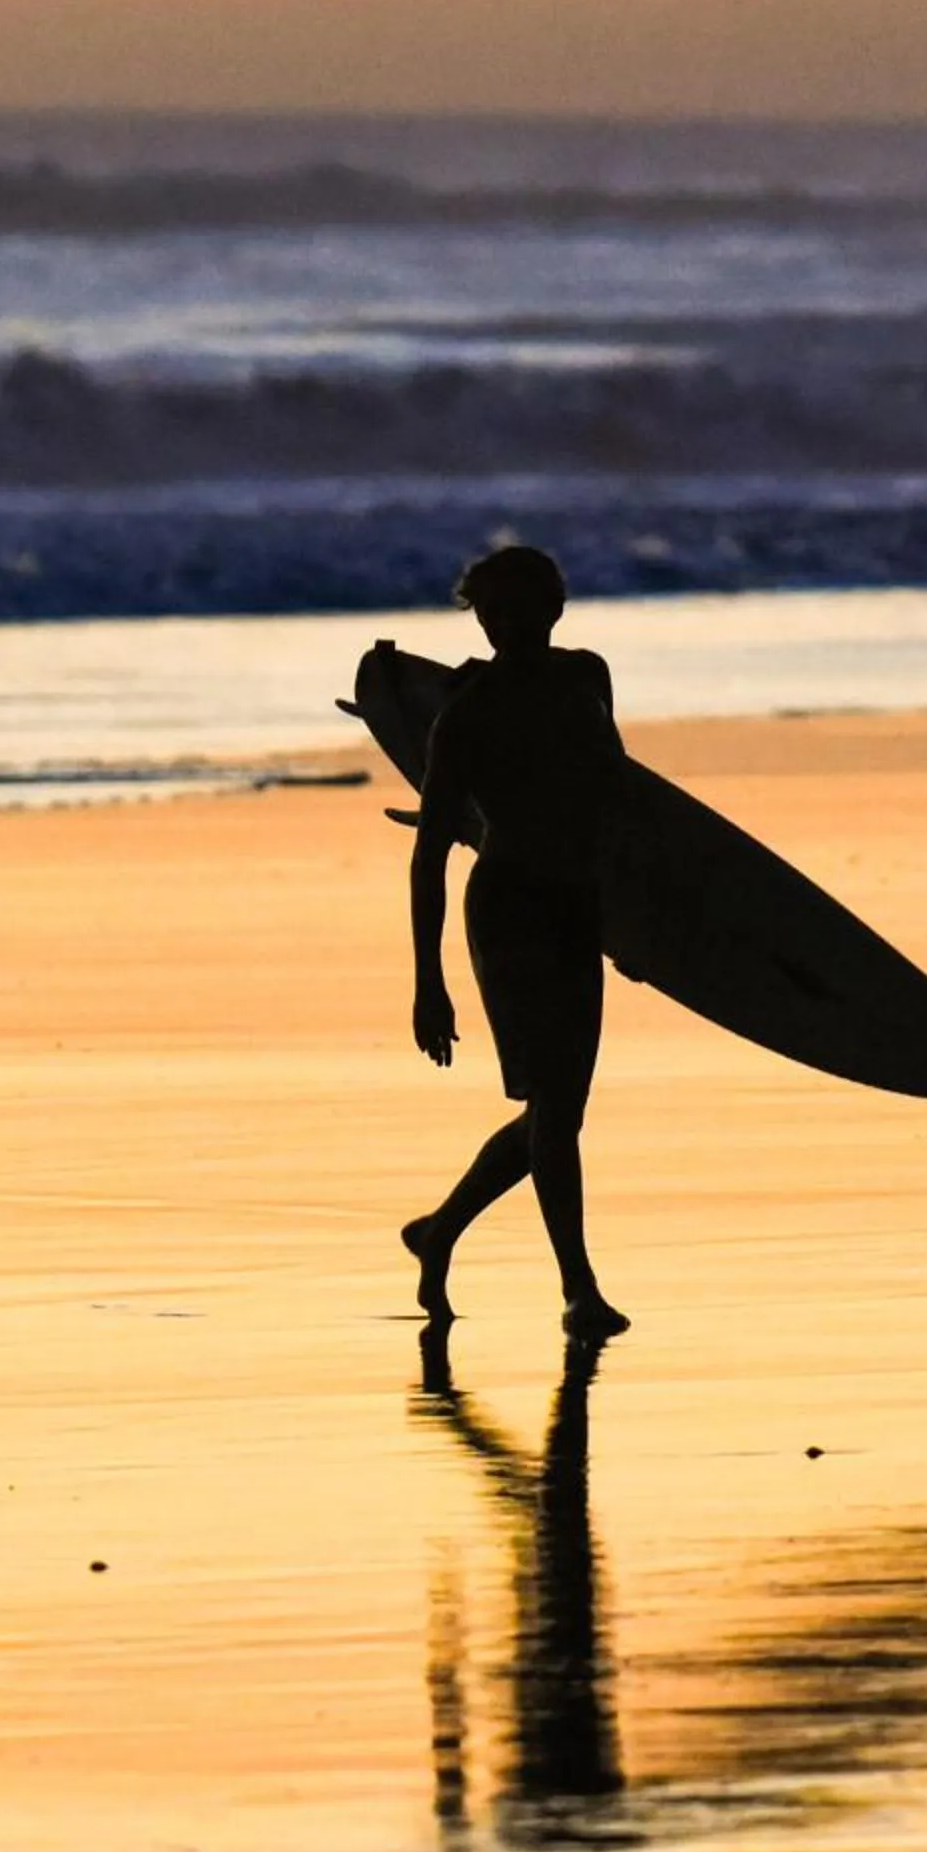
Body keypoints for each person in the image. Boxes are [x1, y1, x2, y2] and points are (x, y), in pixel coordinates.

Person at [404, 545, 628, 1338]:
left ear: (555, 608)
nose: (508, 625)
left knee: (557, 1111)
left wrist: (642, 924)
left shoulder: (587, 678)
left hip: (577, 906)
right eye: (493, 613)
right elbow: (430, 850)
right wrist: (430, 982)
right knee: (557, 1111)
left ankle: (439, 1230)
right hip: (511, 912)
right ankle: (579, 1289)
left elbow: (617, 803)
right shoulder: (467, 715)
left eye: (522, 608)